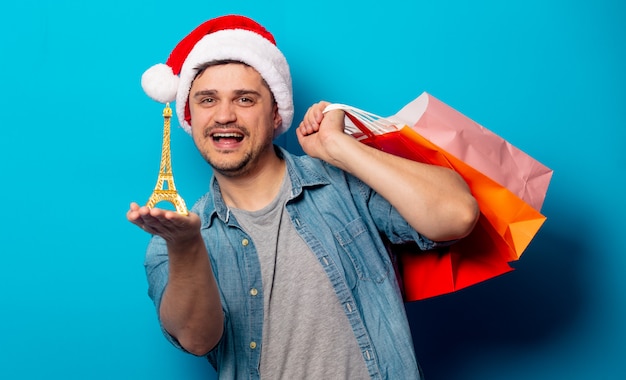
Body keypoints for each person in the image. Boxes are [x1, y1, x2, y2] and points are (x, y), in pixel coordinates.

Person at [127, 14, 479, 379]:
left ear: (276, 110)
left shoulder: (343, 185)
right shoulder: (171, 242)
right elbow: (196, 340)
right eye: (207, 100)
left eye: (245, 99)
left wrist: (340, 147)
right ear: (189, 114)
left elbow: (457, 215)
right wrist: (186, 248)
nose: (224, 115)